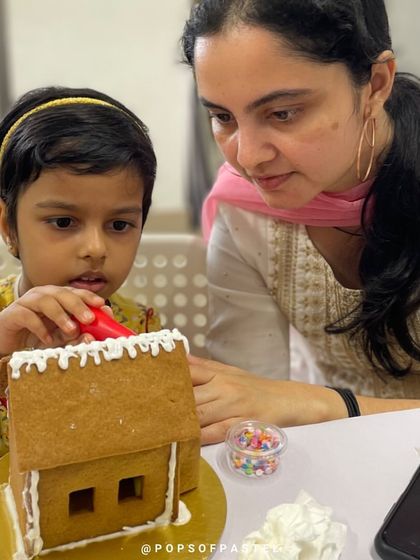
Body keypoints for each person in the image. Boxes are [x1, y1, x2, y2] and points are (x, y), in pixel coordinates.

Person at [181, 0, 420, 444]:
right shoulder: (243, 209)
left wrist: (329, 405)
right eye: (222, 117)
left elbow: (284, 401)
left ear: (377, 83)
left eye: (283, 113)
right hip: (332, 452)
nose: (247, 158)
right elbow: (249, 397)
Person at [0, 86, 160, 454]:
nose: (96, 249)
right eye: (62, 221)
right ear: (9, 227)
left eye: (119, 225)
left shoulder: (142, 327)